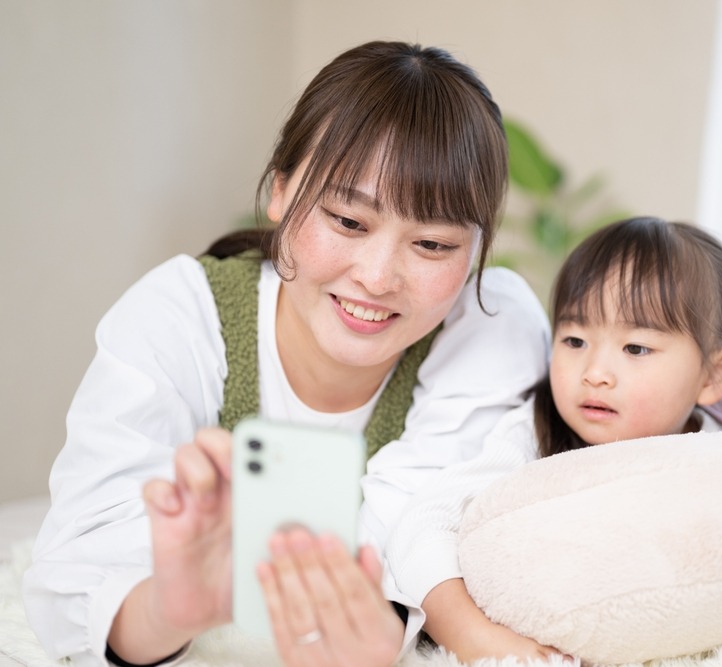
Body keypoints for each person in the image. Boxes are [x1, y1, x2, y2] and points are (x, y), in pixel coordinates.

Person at [22, 41, 551, 667]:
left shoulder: (493, 323)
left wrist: (374, 632)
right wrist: (172, 605)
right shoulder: (178, 315)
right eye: (348, 222)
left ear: (477, 249)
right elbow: (77, 570)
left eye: (432, 244)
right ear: (279, 192)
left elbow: (426, 519)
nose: (378, 277)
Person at [385, 216, 722, 662]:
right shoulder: (532, 432)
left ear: (713, 375)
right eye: (574, 340)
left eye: (635, 349)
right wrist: (471, 634)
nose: (594, 373)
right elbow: (424, 522)